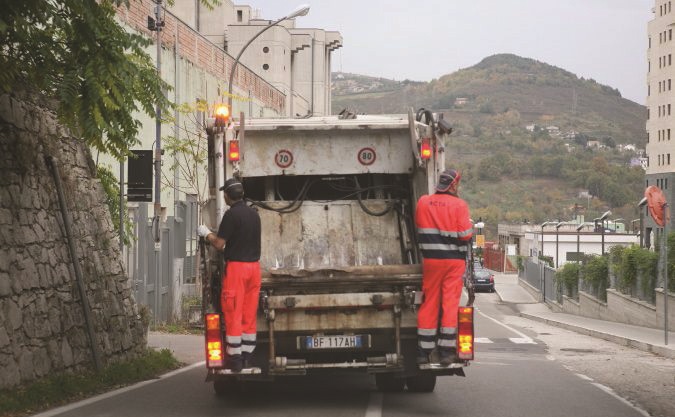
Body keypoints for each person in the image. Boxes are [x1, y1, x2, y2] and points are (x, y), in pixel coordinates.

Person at [198, 178, 261, 372]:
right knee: (249, 314)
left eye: (224, 193)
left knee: (233, 313)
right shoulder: (254, 214)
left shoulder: (231, 215)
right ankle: (247, 357)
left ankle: (235, 362)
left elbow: (219, 244)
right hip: (254, 269)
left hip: (237, 270)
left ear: (227, 195)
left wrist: (206, 233)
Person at [414, 168, 473, 366]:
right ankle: (446, 351)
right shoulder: (459, 205)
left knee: (429, 301)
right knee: (449, 303)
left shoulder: (423, 202)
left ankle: (424, 351)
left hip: (431, 261)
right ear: (454, 185)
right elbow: (465, 234)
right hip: (454, 262)